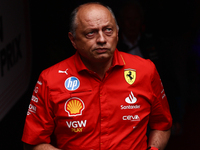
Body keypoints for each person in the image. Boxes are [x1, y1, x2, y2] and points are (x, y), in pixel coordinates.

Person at [22, 2, 172, 150]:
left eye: (108, 30)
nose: (101, 39)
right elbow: (33, 142)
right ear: (73, 40)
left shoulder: (145, 70)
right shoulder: (50, 79)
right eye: (90, 33)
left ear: (117, 33)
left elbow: (162, 125)